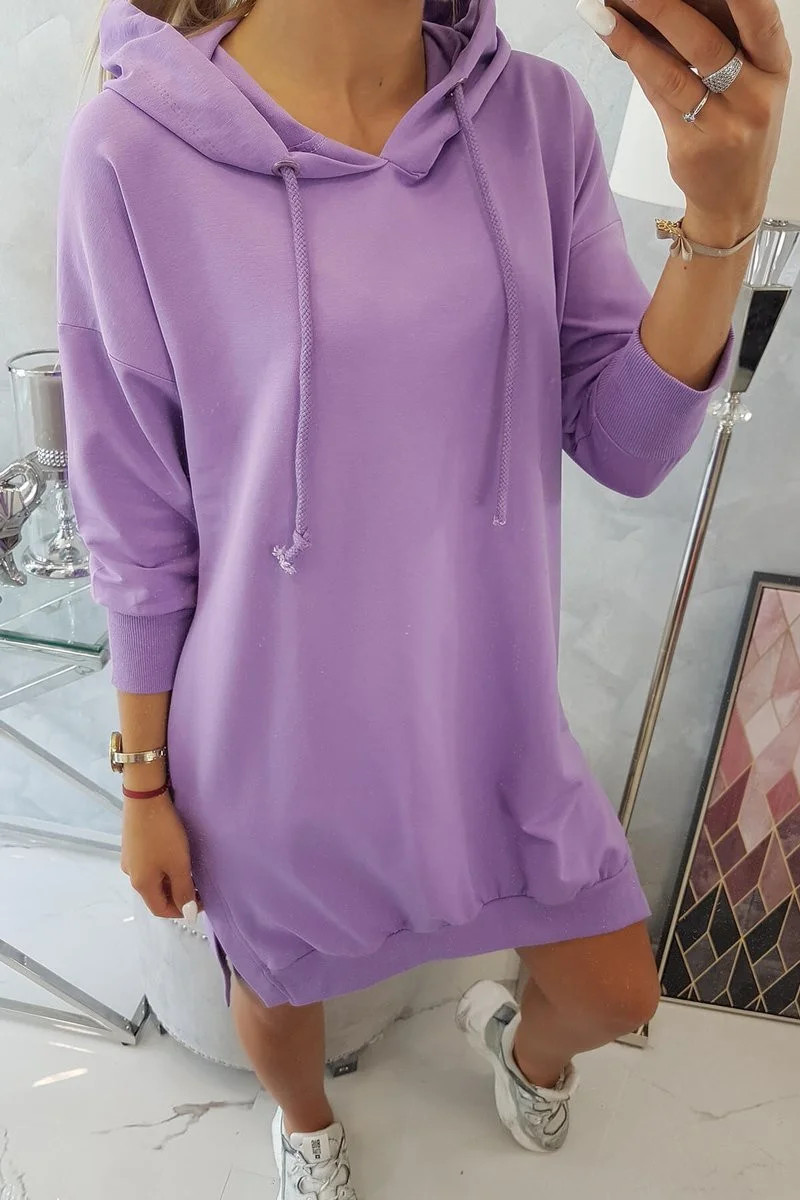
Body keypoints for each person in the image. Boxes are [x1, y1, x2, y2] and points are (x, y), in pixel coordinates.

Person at [58, 0, 789, 1195]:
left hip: (483, 717)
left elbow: (624, 445)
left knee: (615, 993)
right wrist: (143, 783)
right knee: (282, 1003)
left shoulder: (535, 117)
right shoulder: (130, 150)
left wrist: (716, 220)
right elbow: (135, 518)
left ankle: (516, 1046)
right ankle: (306, 1126)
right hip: (270, 735)